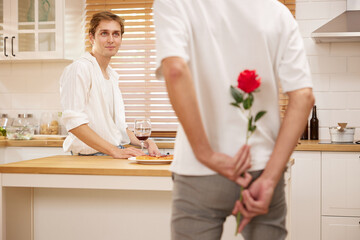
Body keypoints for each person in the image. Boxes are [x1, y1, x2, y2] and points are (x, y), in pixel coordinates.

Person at [153, 0, 315, 239]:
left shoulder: (175, 3)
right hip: (261, 169)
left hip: (199, 171)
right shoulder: (278, 12)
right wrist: (270, 179)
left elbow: (175, 70)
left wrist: (204, 153)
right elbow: (303, 97)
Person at [60, 11, 160, 158]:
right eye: (104, 33)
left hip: (110, 153)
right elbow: (75, 124)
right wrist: (115, 151)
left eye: (116, 34)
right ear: (91, 38)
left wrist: (144, 142)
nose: (111, 40)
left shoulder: (111, 75)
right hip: (90, 158)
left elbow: (117, 128)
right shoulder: (80, 68)